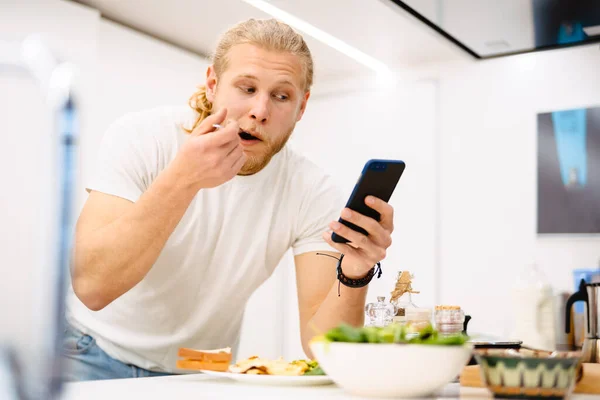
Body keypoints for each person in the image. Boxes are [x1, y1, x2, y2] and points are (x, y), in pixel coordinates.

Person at [62, 18, 394, 381]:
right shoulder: (142, 138)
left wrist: (355, 273)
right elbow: (92, 287)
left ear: (302, 107)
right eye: (246, 88)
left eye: (281, 96)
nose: (260, 111)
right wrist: (184, 178)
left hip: (202, 373)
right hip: (90, 352)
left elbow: (323, 347)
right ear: (213, 85)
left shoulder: (310, 189)